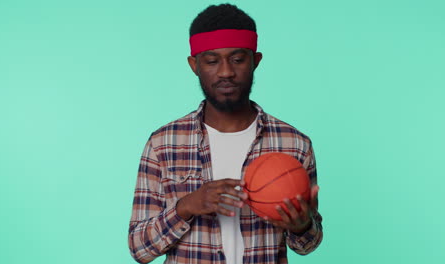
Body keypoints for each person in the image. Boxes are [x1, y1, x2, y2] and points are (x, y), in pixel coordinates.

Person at [128, 4, 323, 264]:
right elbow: (139, 248)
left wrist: (301, 226)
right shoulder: (163, 144)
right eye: (211, 61)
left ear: (256, 60)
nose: (226, 72)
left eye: (238, 59)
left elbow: (308, 244)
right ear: (194, 65)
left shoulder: (295, 145)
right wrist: (186, 206)